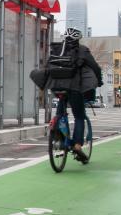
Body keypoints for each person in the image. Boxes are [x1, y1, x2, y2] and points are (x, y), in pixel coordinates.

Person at [44, 27, 102, 164]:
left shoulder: (57, 49)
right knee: (79, 116)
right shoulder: (82, 50)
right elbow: (95, 67)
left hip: (56, 86)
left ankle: (57, 132)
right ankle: (76, 145)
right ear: (78, 39)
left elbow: (48, 65)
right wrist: (99, 80)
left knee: (60, 111)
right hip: (75, 88)